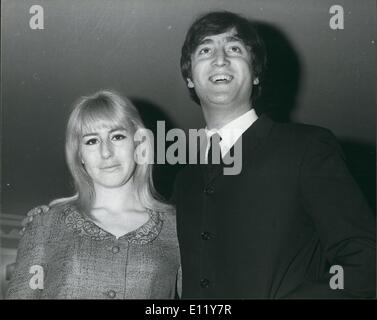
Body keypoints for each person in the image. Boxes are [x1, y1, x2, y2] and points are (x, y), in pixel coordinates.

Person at [173, 11, 376, 298]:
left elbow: (366, 261)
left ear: (256, 74)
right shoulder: (184, 181)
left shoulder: (307, 147)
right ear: (190, 78)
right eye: (205, 49)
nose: (220, 58)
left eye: (234, 48)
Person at [7, 90, 180, 299]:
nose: (106, 152)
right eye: (91, 141)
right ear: (79, 155)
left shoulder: (178, 229)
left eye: (117, 136)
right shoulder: (45, 224)